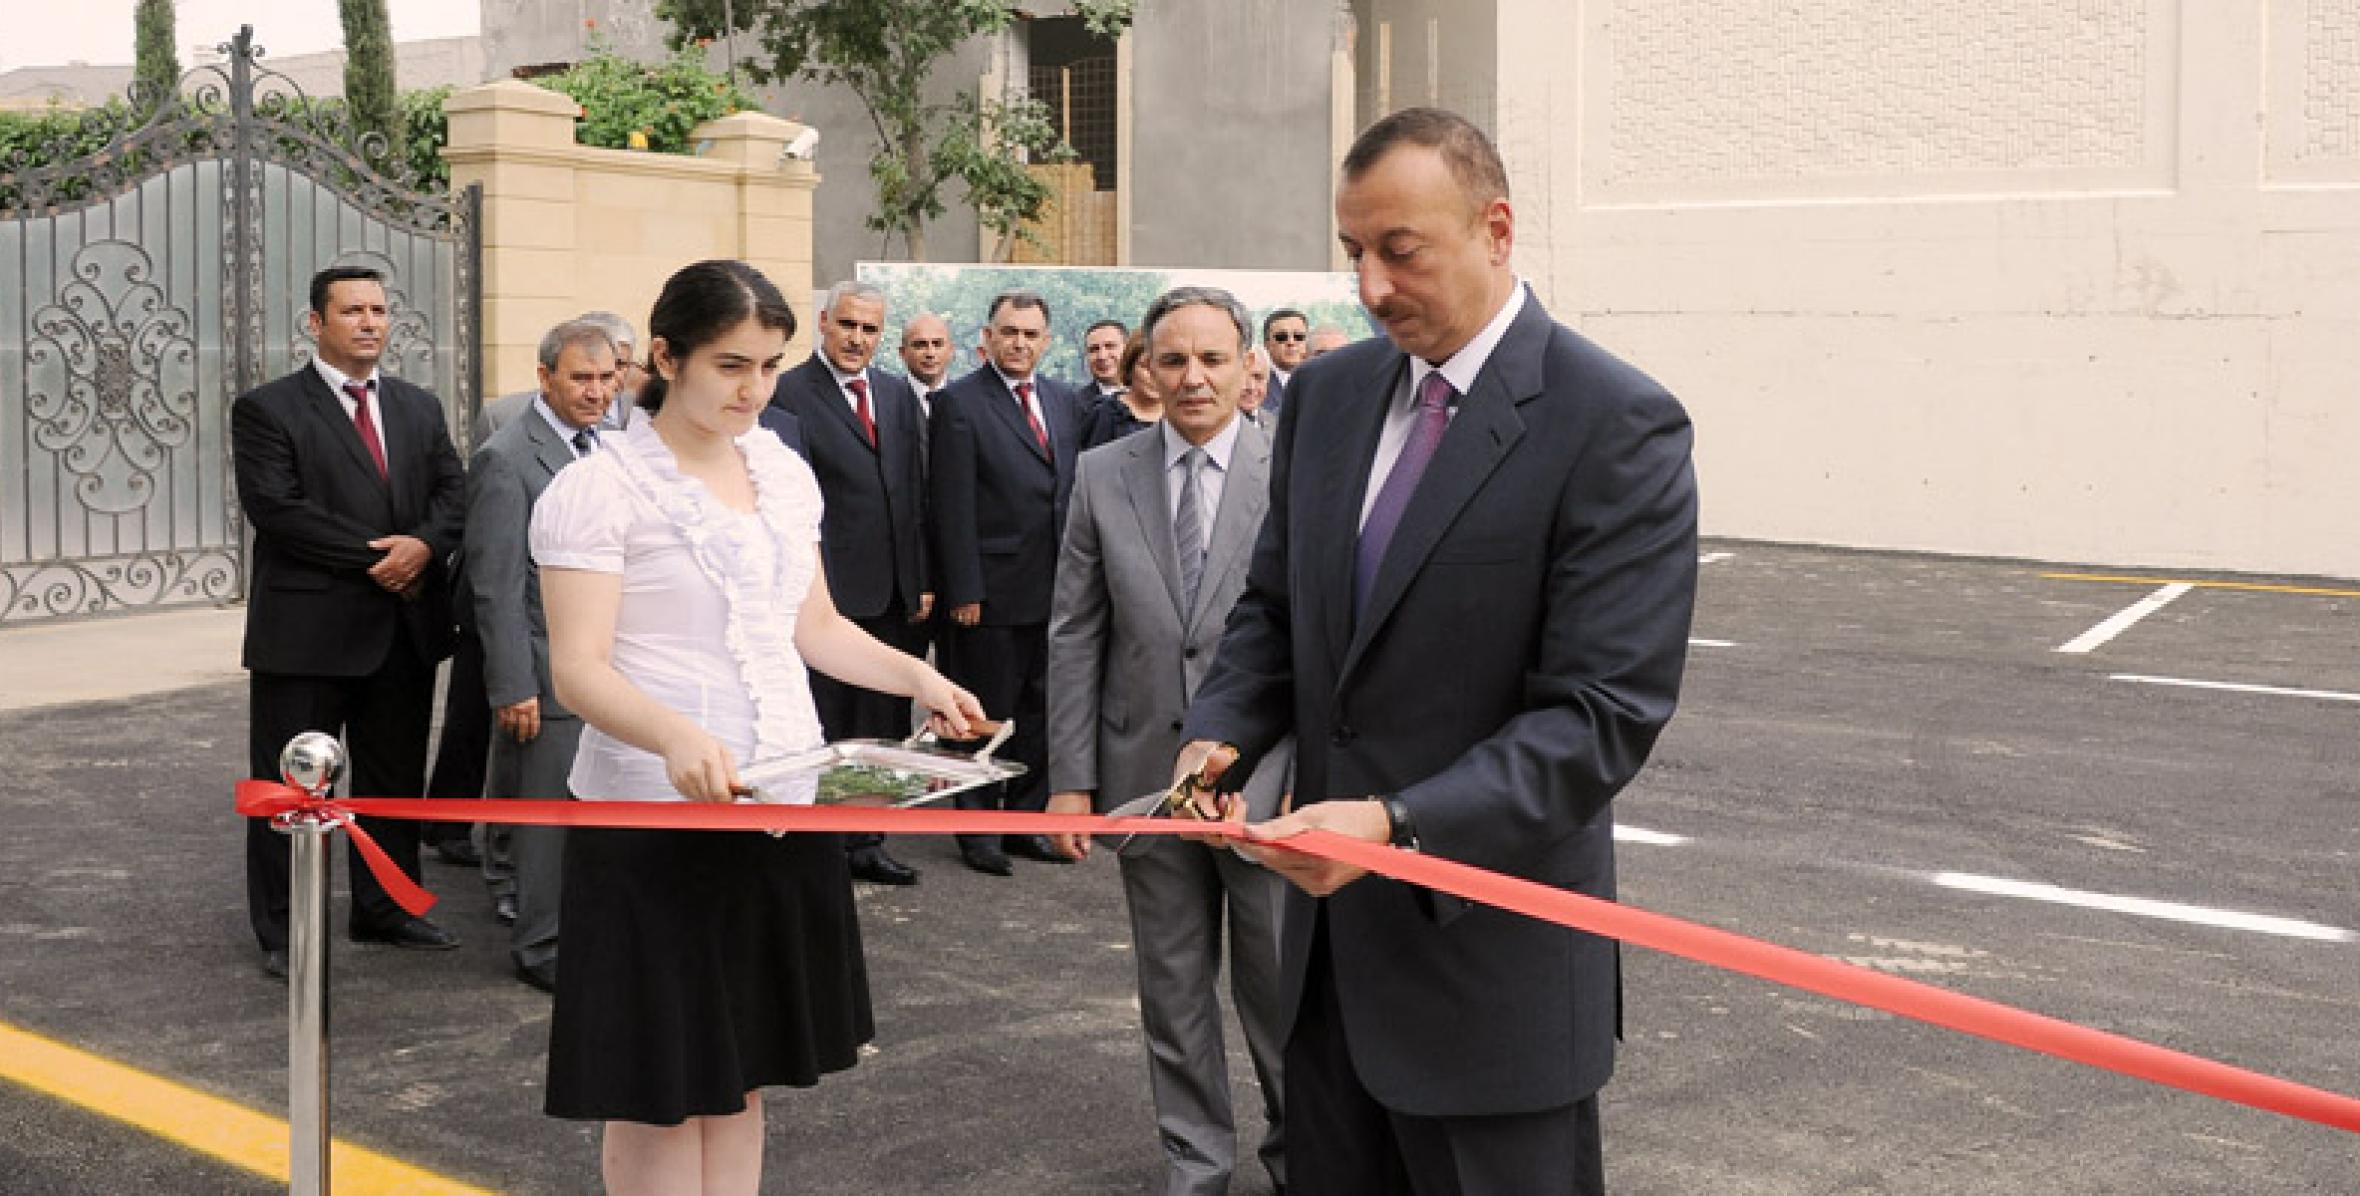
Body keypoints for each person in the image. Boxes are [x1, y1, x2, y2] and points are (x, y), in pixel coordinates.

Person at [1177, 107, 1700, 1195]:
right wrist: (1218, 733)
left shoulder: (1613, 423)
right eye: (1351, 252)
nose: (1367, 286)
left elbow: (1598, 715)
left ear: (1494, 229)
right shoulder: (1324, 397)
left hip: (1490, 985)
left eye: (1398, 250)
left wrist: (1394, 825)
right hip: (1326, 987)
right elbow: (1274, 608)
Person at [533, 259, 984, 1193]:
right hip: (654, 818)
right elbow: (576, 669)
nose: (756, 389)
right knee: (659, 1084)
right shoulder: (598, 489)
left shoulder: (780, 469)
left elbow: (812, 627)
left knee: (741, 1073)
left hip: (780, 801)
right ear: (664, 356)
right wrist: (671, 737)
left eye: (772, 366)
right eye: (731, 365)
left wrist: (918, 678)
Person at [1046, 286, 1291, 1196]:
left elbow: (1320, 638)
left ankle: (1298, 1155)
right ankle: (1198, 1167)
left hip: (1264, 787)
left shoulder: (1298, 471)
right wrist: (1072, 779)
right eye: (1175, 360)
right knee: (1174, 992)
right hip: (1141, 777)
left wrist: (1299, 776)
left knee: (1277, 993)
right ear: (1147, 368)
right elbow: (1075, 634)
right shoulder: (1103, 473)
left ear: (1246, 367)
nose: (1194, 378)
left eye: (1214, 359)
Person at [232, 265, 468, 978]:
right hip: (308, 638)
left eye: (378, 309)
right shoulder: (269, 409)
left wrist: (426, 545)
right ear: (316, 323)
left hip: (403, 632)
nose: (369, 322)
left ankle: (385, 908)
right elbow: (277, 508)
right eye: (352, 310)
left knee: (392, 784)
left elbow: (455, 492)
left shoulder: (419, 407)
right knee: (293, 787)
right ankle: (282, 930)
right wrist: (383, 557)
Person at [465, 318, 619, 993]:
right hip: (545, 674)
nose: (596, 392)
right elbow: (494, 585)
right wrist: (512, 687)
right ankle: (541, 946)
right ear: (545, 378)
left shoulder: (612, 447)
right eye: (580, 378)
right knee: (547, 823)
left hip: (609, 671)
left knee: (597, 813)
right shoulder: (507, 457)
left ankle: (584, 929)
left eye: (607, 378)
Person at [768, 281, 933, 887]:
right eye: (848, 325)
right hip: (825, 596)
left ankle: (868, 838)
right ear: (823, 323)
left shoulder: (894, 394)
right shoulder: (788, 393)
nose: (858, 338)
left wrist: (919, 583)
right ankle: (822, 844)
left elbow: (911, 493)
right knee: (827, 724)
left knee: (883, 725)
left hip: (892, 593)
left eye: (869, 329)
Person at [927, 289, 1087, 875]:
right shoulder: (960, 403)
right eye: (1009, 332)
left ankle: (1025, 822)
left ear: (1046, 341)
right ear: (989, 337)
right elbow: (950, 503)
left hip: (1058, 590)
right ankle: (976, 827)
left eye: (1030, 334)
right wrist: (964, 589)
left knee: (1043, 712)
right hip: (988, 594)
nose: (1020, 343)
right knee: (978, 714)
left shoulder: (1065, 401)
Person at [1083, 329, 1164, 450]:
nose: (1155, 374)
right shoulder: (1106, 413)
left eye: (1165, 365)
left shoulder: (1179, 413)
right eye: (1146, 367)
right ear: (1130, 368)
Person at [1260, 308, 1309, 414]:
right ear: (1267, 344)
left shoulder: (1318, 381)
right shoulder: (1256, 384)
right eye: (1281, 337)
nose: (1291, 342)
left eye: (1298, 337)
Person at [1080, 318, 1129, 400]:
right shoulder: (1074, 406)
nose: (1102, 356)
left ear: (1128, 348)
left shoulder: (1153, 396)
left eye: (1110, 346)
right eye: (1094, 349)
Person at [1238, 345, 1273, 428]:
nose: (1251, 387)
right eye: (1242, 377)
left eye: (1258, 377)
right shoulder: (1211, 427)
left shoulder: (1277, 426)